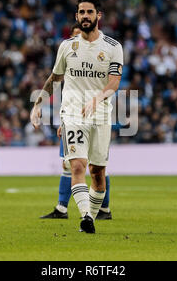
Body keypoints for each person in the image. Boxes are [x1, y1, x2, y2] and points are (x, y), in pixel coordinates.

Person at [31, 0, 123, 233]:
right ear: (76, 16)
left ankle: (90, 218)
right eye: (81, 12)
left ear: (98, 16)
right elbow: (55, 78)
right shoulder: (66, 46)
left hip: (101, 115)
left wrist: (97, 98)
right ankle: (84, 216)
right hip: (73, 114)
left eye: (89, 12)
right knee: (77, 167)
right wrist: (38, 103)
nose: (85, 16)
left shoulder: (113, 48)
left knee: (98, 173)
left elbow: (114, 83)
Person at [41, 23, 112, 220]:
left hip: (97, 117)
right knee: (71, 165)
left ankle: (103, 209)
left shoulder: (101, 54)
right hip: (72, 117)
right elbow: (62, 89)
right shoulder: (69, 55)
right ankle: (63, 208)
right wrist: (63, 120)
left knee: (97, 166)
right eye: (75, 35)